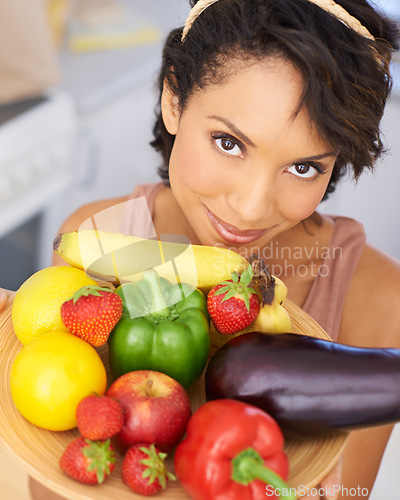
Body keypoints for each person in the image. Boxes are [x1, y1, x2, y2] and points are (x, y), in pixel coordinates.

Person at [1, 0, 399, 498]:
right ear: (174, 97)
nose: (251, 209)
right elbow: (53, 477)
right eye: (229, 142)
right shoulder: (95, 239)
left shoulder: (381, 300)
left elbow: (349, 492)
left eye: (304, 167)